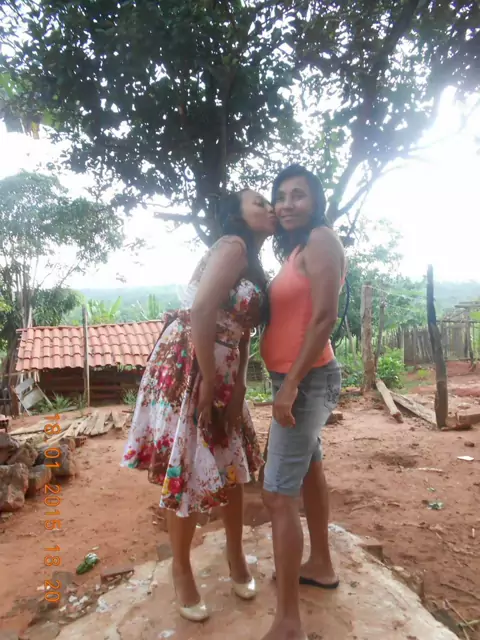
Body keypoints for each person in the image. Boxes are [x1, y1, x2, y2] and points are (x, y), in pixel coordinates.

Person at [121, 189, 276, 622]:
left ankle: (235, 554)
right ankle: (181, 569)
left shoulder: (253, 261)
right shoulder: (233, 245)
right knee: (188, 466)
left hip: (222, 365)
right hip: (194, 361)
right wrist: (208, 379)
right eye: (258, 202)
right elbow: (203, 309)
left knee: (231, 462)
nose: (268, 207)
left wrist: (238, 383)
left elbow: (243, 330)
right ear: (236, 215)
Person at [260, 165, 345, 640]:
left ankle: (288, 621)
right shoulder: (297, 248)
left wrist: (290, 385)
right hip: (295, 378)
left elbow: (325, 316)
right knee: (308, 469)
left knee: (277, 494)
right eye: (281, 195)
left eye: (298, 195)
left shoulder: (321, 240)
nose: (287, 203)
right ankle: (321, 564)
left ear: (316, 202)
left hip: (306, 380)